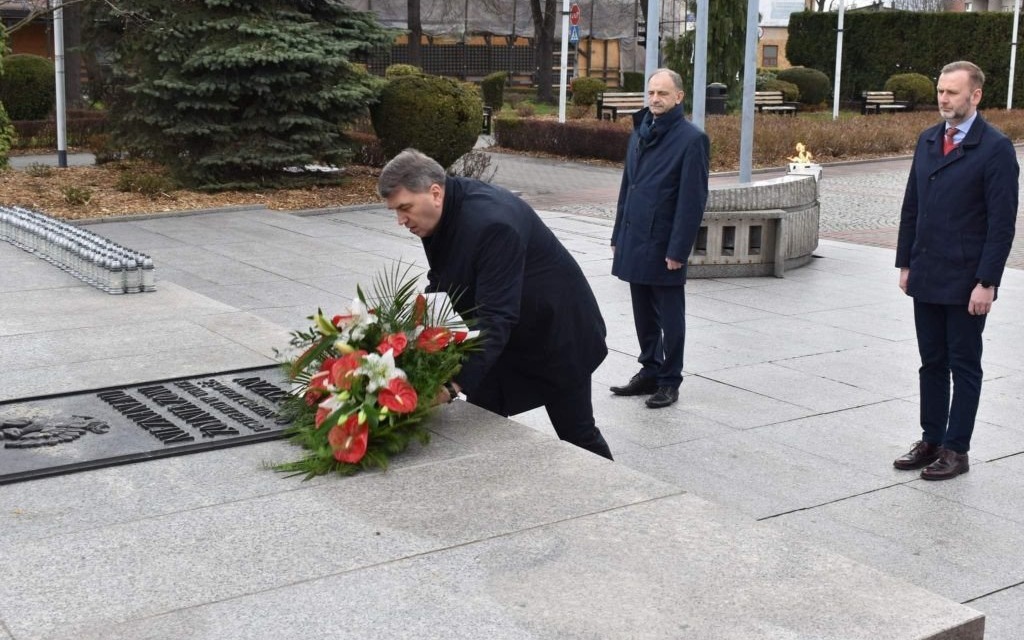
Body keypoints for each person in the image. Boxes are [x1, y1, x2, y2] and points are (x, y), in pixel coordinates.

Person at [377, 148, 614, 460]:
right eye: (395, 210)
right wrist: (414, 344)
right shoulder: (438, 213)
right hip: (509, 334)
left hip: (558, 334)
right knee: (480, 418)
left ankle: (626, 502)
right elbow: (443, 281)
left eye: (404, 208)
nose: (400, 220)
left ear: (435, 192)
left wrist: (450, 386)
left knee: (577, 432)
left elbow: (496, 317)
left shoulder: (491, 224)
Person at [893, 60, 1018, 480]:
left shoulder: (996, 149)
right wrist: (905, 262)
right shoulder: (928, 140)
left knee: (964, 365)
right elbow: (912, 206)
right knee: (931, 362)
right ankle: (931, 439)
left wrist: (987, 282)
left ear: (975, 96)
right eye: (941, 91)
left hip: (967, 281)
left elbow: (1002, 225)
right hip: (926, 272)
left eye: (952, 92)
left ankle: (956, 448)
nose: (943, 99)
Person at [609, 68, 710, 409]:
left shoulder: (692, 139)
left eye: (663, 94)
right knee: (642, 310)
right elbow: (629, 185)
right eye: (652, 93)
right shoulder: (640, 131)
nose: (655, 99)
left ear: (679, 97)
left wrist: (678, 249)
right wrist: (617, 232)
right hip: (635, 235)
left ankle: (670, 380)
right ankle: (649, 369)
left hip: (665, 241)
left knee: (670, 315)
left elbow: (692, 201)